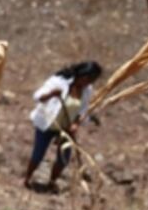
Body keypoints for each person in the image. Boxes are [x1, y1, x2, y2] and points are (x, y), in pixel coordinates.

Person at [24, 61, 103, 191]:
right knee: (38, 155)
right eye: (88, 79)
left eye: (92, 80)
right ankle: (27, 178)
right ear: (82, 75)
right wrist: (51, 94)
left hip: (66, 128)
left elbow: (83, 110)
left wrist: (76, 124)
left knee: (63, 158)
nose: (89, 83)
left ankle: (52, 182)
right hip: (47, 124)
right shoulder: (59, 81)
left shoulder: (87, 90)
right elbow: (38, 97)